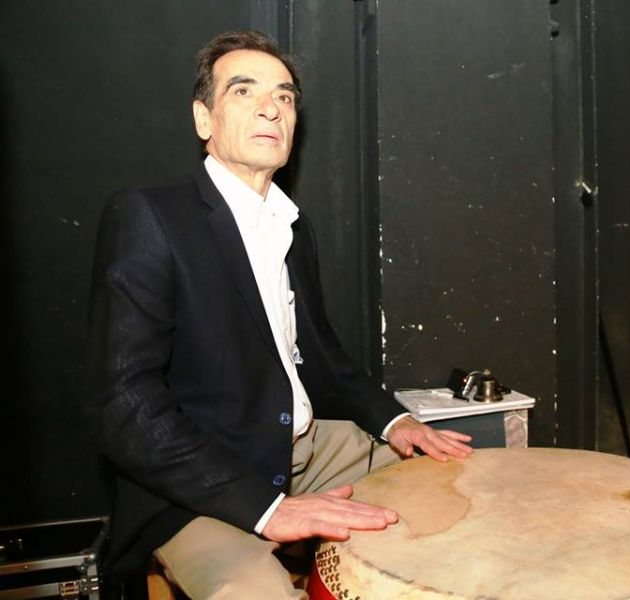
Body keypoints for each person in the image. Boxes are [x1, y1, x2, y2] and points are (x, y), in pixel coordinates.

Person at [86, 29, 472, 599]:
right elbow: (124, 406)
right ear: (204, 119)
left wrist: (396, 423)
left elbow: (320, 357)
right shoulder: (150, 217)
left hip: (305, 446)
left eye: (285, 96)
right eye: (244, 91)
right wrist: (269, 510)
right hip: (198, 484)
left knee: (455, 485)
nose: (271, 107)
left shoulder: (293, 226)